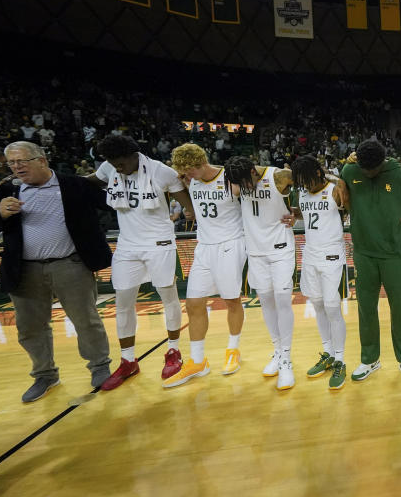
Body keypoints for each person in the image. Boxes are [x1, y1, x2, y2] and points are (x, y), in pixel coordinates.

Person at [0, 141, 113, 403]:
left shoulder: (75, 185)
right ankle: (45, 375)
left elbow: (114, 205)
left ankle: (99, 367)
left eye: (21, 161)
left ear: (42, 160)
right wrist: (0, 214)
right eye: (11, 163)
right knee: (29, 327)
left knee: (86, 320)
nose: (16, 167)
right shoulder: (4, 191)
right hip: (24, 269)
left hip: (70, 264)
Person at [88, 135, 195, 391]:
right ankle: (128, 360)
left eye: (119, 161)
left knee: (168, 296)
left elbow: (189, 206)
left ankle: (173, 352)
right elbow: (88, 183)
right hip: (127, 245)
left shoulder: (162, 172)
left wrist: (192, 193)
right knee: (123, 302)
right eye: (111, 162)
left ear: (134, 154)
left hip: (159, 242)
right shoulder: (109, 168)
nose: (116, 166)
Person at [337, 139, 401, 383]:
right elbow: (340, 183)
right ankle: (370, 359)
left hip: (393, 253)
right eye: (363, 168)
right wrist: (344, 172)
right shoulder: (350, 170)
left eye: (371, 170)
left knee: (400, 309)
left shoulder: (400, 176)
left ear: (382, 163)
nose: (367, 173)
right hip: (363, 252)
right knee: (366, 309)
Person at [162, 144, 247, 388]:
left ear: (200, 164)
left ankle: (233, 350)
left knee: (231, 300)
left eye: (188, 170)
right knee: (194, 302)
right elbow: (197, 207)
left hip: (230, 244)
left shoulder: (230, 176)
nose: (185, 176)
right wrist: (191, 213)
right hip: (204, 246)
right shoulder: (193, 181)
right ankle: (198, 361)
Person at [224, 155, 297, 390]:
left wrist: (296, 212)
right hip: (255, 250)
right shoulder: (236, 177)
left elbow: (311, 184)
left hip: (280, 248)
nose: (244, 187)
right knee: (265, 301)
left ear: (254, 171)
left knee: (283, 298)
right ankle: (277, 350)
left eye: (246, 181)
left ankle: (286, 358)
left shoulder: (278, 176)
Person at [290, 154, 349, 390]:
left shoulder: (335, 187)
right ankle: (327, 353)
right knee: (317, 305)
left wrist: (333, 175)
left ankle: (341, 359)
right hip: (310, 254)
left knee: (333, 307)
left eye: (307, 180)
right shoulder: (303, 191)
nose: (304, 186)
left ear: (317, 173)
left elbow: (346, 202)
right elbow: (307, 214)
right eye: (300, 182)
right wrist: (292, 213)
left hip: (333, 254)